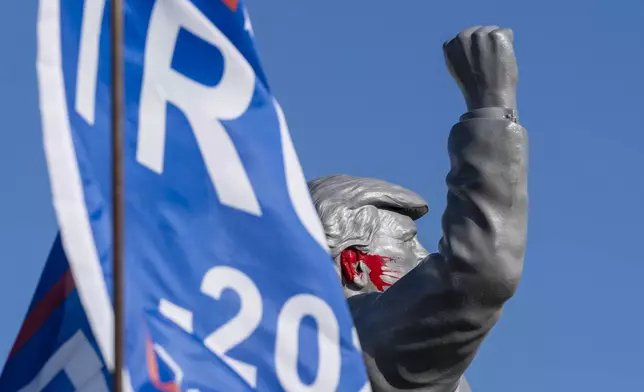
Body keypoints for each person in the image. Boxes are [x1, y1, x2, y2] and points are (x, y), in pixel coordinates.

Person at [308, 25, 527, 392]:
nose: (425, 257)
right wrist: (491, 104)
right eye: (408, 242)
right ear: (354, 264)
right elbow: (478, 273)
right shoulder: (367, 337)